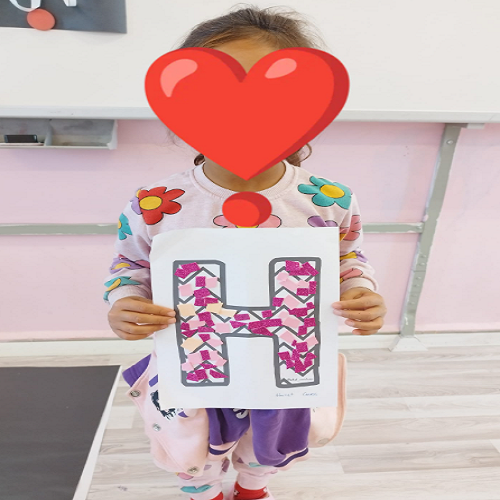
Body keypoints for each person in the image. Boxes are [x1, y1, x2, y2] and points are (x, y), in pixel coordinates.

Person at [104, 5, 387, 500]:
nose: (242, 113)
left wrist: (362, 292)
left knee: (269, 443)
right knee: (189, 447)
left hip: (284, 362)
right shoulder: (156, 203)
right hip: (194, 362)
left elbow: (348, 259)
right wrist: (123, 303)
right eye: (215, 97)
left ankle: (253, 487)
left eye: (271, 97)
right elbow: (129, 265)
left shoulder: (329, 199)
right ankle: (204, 490)